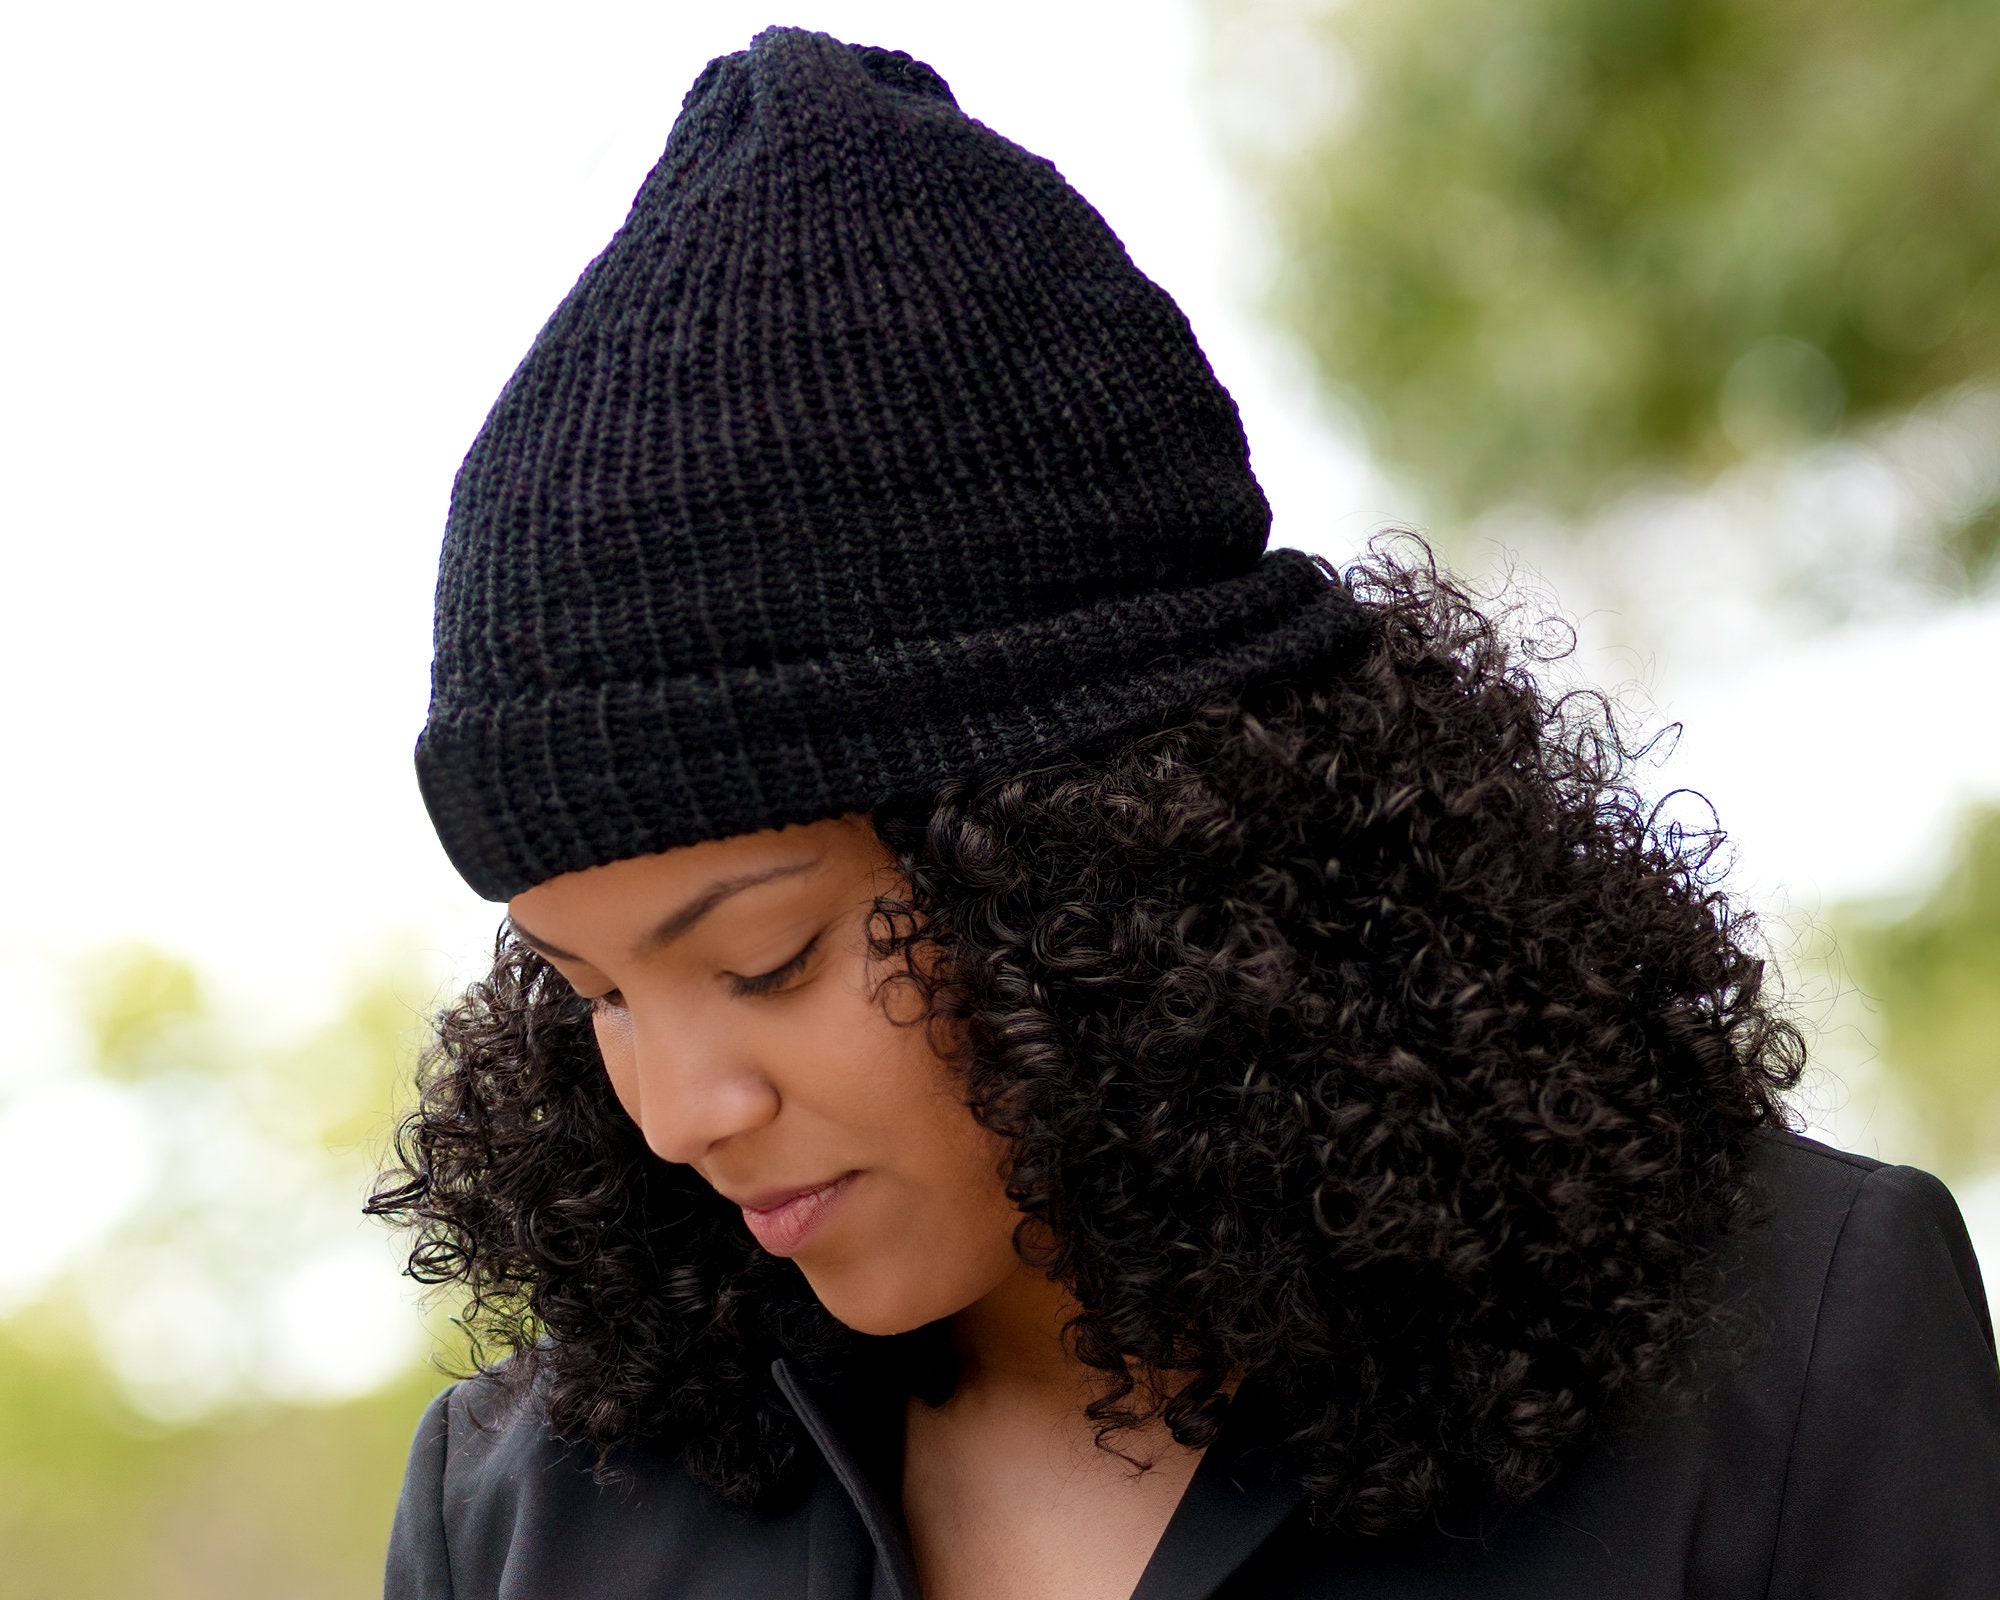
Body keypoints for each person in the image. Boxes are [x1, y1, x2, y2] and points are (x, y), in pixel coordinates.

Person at [370, 26, 2000, 1600]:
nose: (679, 1112)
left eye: (763, 960)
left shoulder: (1787, 1357)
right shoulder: (518, 1518)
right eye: (592, 995)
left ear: (1103, 857)